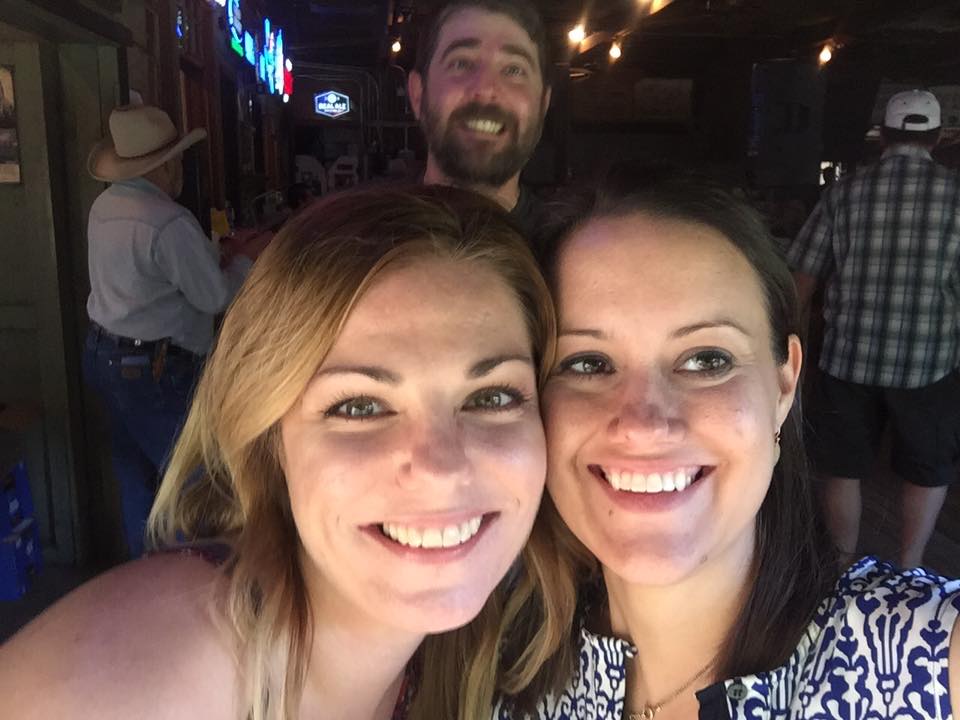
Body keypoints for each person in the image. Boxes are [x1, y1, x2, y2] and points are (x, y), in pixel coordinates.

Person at [0, 185, 555, 719]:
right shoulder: (138, 681)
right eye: (360, 406)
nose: (441, 470)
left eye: (493, 397)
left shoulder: (507, 645)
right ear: (271, 440)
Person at [485, 171, 960, 720]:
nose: (644, 425)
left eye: (707, 359)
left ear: (783, 386)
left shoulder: (918, 656)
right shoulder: (497, 660)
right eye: (588, 364)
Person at [83, 104, 267, 559]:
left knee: (135, 479)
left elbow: (148, 277)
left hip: (103, 354)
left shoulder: (104, 206)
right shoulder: (167, 220)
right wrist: (246, 260)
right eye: (178, 160)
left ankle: (145, 577)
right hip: (155, 367)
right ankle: (193, 581)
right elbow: (214, 297)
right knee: (193, 480)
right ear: (163, 166)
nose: (180, 167)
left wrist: (208, 258)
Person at [788, 89, 960, 568]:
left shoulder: (843, 192)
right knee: (926, 468)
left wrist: (785, 341)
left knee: (842, 467)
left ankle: (845, 564)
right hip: (930, 362)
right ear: (938, 138)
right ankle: (909, 566)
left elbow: (802, 277)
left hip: (848, 359)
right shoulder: (956, 194)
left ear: (882, 135)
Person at [407, 0, 552, 238]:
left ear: (543, 103)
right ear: (417, 95)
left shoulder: (569, 250)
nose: (485, 90)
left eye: (514, 70)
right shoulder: (357, 241)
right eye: (461, 63)